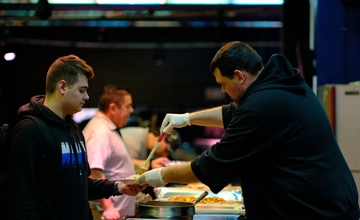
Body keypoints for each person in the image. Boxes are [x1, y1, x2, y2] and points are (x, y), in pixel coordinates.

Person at [135, 41, 360, 220]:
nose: (223, 90)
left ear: (240, 76)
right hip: (328, 203)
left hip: (315, 211)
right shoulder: (277, 86)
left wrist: (158, 176)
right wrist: (186, 119)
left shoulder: (262, 106)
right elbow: (231, 113)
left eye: (223, 84)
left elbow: (211, 166)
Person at [6, 55, 143, 220]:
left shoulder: (73, 128)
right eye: (82, 90)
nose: (87, 97)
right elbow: (22, 202)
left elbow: (81, 184)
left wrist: (118, 186)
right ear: (62, 87)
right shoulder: (30, 130)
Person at [82, 85, 168, 219]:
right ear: (113, 108)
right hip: (108, 213)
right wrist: (108, 208)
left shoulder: (107, 128)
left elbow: (115, 162)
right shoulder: (100, 132)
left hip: (117, 211)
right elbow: (94, 171)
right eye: (128, 106)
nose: (132, 110)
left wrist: (150, 165)